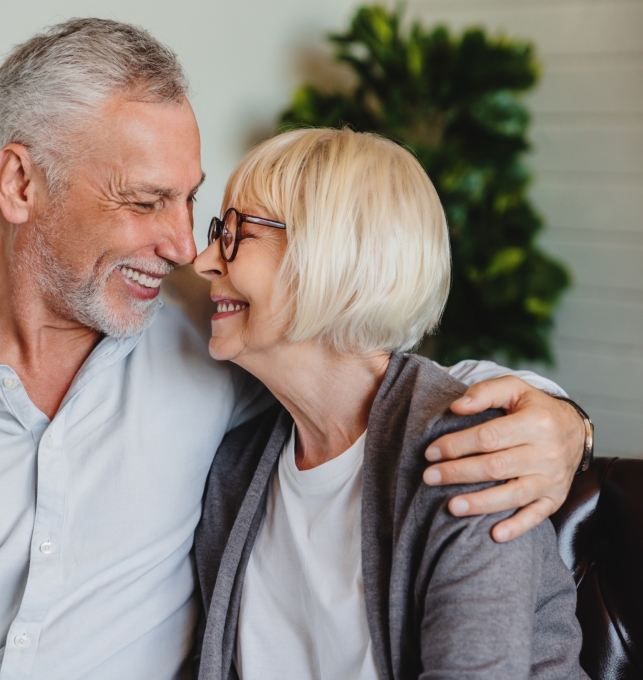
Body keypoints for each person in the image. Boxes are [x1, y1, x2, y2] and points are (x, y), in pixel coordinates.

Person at [0, 19, 589, 680]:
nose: (184, 245)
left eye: (193, 203)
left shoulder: (210, 339)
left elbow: (373, 383)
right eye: (147, 201)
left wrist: (559, 420)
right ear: (21, 185)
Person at [193, 128, 586, 679]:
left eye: (238, 233)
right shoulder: (235, 468)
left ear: (337, 258)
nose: (205, 260)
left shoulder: (470, 455)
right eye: (217, 231)